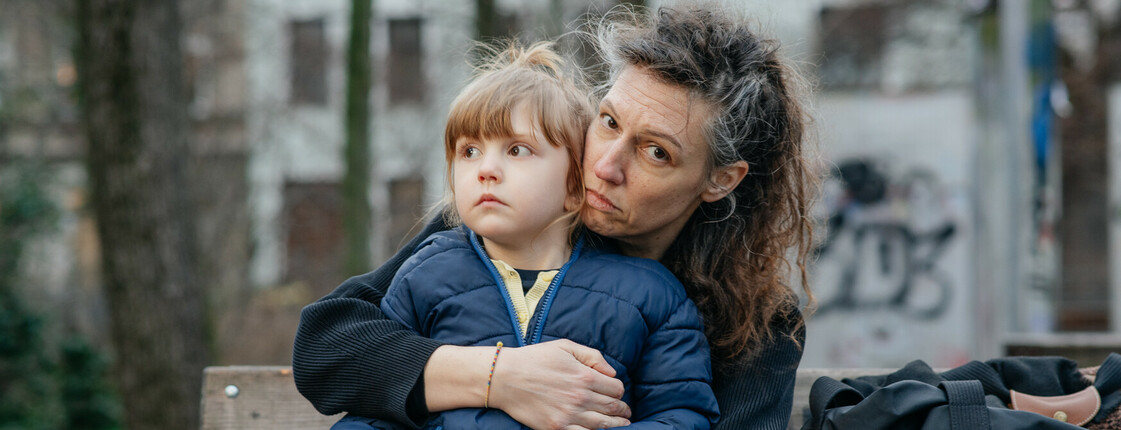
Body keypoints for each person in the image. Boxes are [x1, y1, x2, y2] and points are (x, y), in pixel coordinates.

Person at [293, 2, 817, 429]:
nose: (605, 166)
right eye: (609, 121)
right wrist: (500, 377)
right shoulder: (495, 228)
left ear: (720, 179)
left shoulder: (761, 327)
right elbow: (325, 348)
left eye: (656, 152)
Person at [331, 41, 719, 429]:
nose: (486, 169)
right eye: (469, 152)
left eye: (516, 150)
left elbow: (682, 414)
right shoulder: (425, 274)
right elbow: (375, 408)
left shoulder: (650, 295)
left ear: (573, 185)